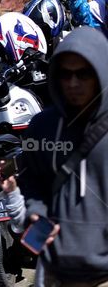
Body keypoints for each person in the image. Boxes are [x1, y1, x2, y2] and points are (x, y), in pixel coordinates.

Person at [18, 26, 108, 287]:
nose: (73, 84)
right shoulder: (43, 127)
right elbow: (31, 183)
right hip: (56, 272)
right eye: (65, 75)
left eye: (83, 74)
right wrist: (36, 212)